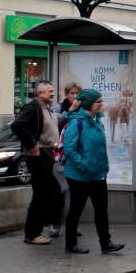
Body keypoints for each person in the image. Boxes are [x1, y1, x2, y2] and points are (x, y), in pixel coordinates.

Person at [61, 89, 123, 254]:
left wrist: (104, 167)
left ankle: (106, 243)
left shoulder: (98, 122)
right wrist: (84, 167)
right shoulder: (77, 122)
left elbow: (100, 148)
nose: (102, 104)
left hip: (97, 174)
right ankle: (71, 244)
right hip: (79, 176)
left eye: (102, 101)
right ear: (89, 104)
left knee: (102, 209)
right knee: (76, 209)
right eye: (98, 101)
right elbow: (69, 149)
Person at [11, 80, 60, 245]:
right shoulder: (33, 108)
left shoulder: (47, 108)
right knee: (40, 194)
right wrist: (32, 143)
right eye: (49, 91)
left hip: (48, 156)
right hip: (37, 157)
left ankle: (41, 227)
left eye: (53, 91)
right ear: (39, 94)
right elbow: (17, 125)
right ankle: (32, 234)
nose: (52, 94)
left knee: (48, 192)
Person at [48, 82, 83, 237]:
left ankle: (73, 225)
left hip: (76, 151)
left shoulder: (83, 109)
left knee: (76, 191)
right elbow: (56, 122)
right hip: (60, 153)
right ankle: (55, 223)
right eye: (71, 93)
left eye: (76, 93)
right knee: (58, 191)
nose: (74, 97)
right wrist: (71, 110)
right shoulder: (58, 108)